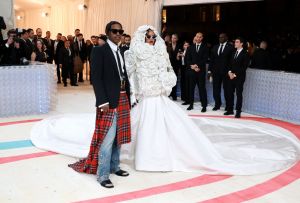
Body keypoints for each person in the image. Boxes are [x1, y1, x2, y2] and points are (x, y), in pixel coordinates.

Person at [30, 26, 300, 181]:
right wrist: (134, 93)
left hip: (159, 98)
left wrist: (165, 83)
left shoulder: (159, 52)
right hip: (143, 100)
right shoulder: (127, 53)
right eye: (147, 37)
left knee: (170, 130)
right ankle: (113, 168)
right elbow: (129, 76)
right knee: (127, 132)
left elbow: (169, 72)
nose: (150, 40)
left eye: (152, 37)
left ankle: (144, 161)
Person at [68, 21, 131, 188]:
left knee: (119, 137)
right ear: (108, 32)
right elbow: (96, 78)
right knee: (107, 138)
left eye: (121, 31)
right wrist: (102, 101)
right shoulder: (99, 51)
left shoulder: (122, 51)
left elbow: (124, 75)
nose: (118, 34)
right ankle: (103, 174)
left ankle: (114, 166)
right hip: (108, 100)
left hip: (124, 97)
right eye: (115, 31)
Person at [208, 33, 235, 111]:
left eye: (222, 37)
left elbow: (232, 61)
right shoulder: (215, 47)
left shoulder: (230, 47)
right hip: (216, 73)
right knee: (216, 89)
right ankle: (217, 104)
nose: (220, 38)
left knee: (227, 90)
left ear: (226, 38)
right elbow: (211, 60)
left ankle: (228, 106)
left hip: (226, 73)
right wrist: (209, 71)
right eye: (219, 37)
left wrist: (230, 71)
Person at [224, 37, 250, 118]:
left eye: (237, 42)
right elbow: (229, 64)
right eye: (235, 42)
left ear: (241, 43)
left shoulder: (245, 54)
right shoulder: (233, 52)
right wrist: (229, 72)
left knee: (239, 94)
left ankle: (238, 111)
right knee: (229, 93)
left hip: (239, 78)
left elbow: (244, 67)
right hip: (231, 76)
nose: (235, 43)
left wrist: (234, 74)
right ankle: (230, 110)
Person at [185, 32, 209, 112]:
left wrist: (197, 66)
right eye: (197, 36)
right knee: (191, 88)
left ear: (202, 38)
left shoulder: (205, 47)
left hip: (201, 72)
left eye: (200, 37)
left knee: (202, 89)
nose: (198, 38)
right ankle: (191, 105)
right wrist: (192, 66)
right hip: (192, 72)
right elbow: (187, 59)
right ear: (195, 37)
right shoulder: (190, 47)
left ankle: (204, 105)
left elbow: (205, 59)